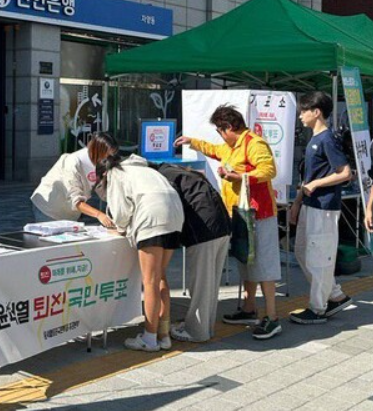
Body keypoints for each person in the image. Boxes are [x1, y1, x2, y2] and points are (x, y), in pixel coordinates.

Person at [175, 104, 282, 340]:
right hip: (240, 214)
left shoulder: (254, 143)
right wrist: (192, 142)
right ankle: (249, 309)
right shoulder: (231, 147)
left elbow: (269, 170)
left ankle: (272, 317)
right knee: (246, 262)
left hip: (259, 214)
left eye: (220, 131)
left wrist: (240, 176)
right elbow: (214, 150)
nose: (220, 136)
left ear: (229, 127)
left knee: (264, 266)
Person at [96, 154, 184, 352]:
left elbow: (121, 213)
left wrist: (119, 228)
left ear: (103, 175)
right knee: (160, 277)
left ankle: (149, 339)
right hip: (175, 216)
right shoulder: (144, 169)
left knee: (150, 281)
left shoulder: (115, 173)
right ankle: (163, 335)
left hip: (152, 219)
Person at [289, 91, 353, 324]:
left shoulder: (327, 139)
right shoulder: (315, 139)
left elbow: (345, 173)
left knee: (318, 259)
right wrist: (297, 203)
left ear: (316, 112)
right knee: (302, 251)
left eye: (303, 111)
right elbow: (309, 177)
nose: (300, 116)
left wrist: (316, 184)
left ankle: (318, 308)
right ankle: (335, 295)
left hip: (324, 207)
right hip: (310, 205)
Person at [153, 163, 231, 342]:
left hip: (203, 231)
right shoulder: (183, 174)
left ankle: (197, 332)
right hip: (223, 226)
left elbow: (169, 209)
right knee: (211, 283)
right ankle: (206, 327)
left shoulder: (162, 179)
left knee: (201, 284)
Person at [30, 132, 118, 227]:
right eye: (108, 155)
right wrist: (99, 214)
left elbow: (102, 189)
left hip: (69, 212)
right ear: (97, 151)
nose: (110, 158)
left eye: (112, 155)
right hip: (49, 209)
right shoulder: (73, 163)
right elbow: (75, 200)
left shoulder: (101, 162)